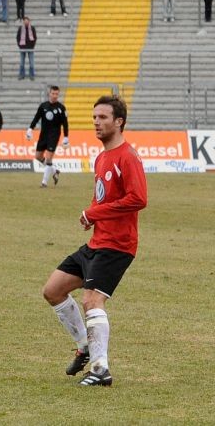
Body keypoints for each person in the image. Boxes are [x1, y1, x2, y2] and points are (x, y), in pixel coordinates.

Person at [41, 95, 147, 387]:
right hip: (97, 242)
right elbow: (103, 197)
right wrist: (92, 217)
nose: (96, 123)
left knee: (91, 299)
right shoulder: (101, 157)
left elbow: (138, 199)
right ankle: (85, 346)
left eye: (102, 118)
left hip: (118, 245)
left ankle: (101, 367)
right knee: (53, 290)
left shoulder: (128, 156)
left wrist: (94, 212)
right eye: (94, 118)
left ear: (119, 121)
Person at [26, 85, 69, 188]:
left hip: (54, 136)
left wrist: (66, 137)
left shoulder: (61, 108)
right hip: (43, 135)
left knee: (49, 158)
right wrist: (30, 129)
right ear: (49, 93)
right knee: (38, 156)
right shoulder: (43, 106)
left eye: (56, 94)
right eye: (53, 93)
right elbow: (36, 118)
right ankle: (55, 171)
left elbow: (65, 123)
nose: (55, 96)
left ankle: (44, 183)